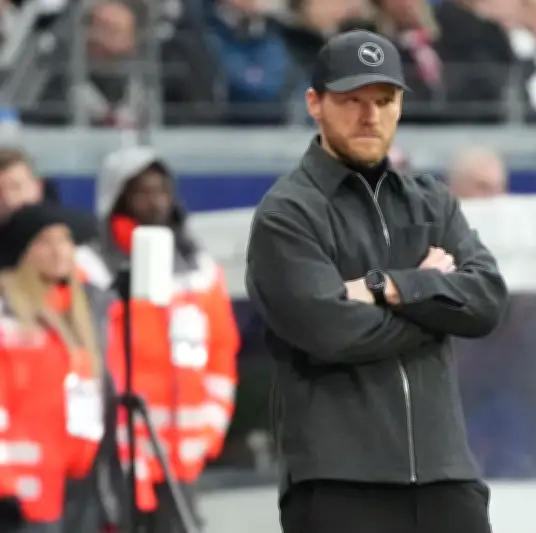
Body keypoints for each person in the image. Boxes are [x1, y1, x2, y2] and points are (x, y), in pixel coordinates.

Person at [245, 29, 508, 533]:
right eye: (352, 100)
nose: (370, 116)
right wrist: (433, 310)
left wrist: (383, 286)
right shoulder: (288, 213)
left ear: (400, 107)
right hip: (340, 483)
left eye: (384, 101)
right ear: (315, 104)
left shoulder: (431, 200)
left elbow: (488, 301)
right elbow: (330, 331)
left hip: (447, 479)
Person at [90, 147, 240, 533]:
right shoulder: (92, 269)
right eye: (142, 192)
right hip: (113, 454)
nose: (155, 202)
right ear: (117, 198)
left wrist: (211, 425)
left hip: (181, 454)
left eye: (161, 190)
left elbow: (221, 350)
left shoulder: (199, 269)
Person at [0, 204, 111, 533]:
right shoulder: (7, 318)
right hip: (16, 494)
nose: (59, 251)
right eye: (44, 242)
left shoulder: (75, 313)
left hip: (64, 485)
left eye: (65, 240)